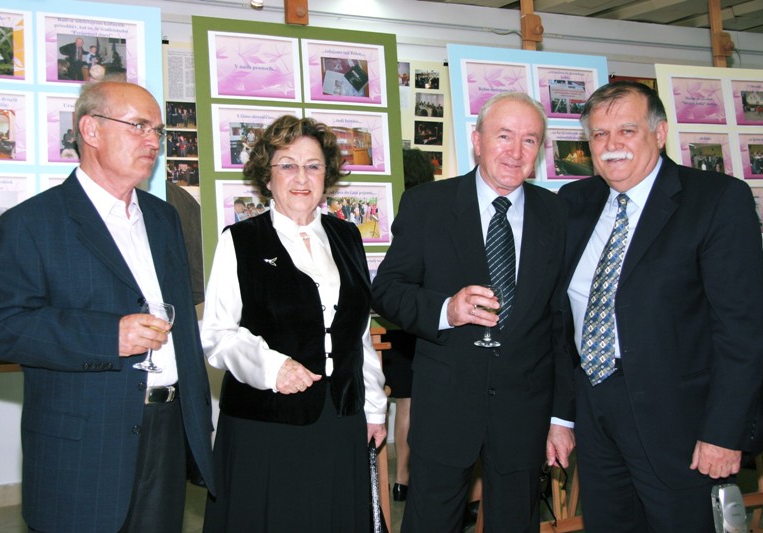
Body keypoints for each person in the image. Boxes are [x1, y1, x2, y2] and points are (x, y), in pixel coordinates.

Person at [0, 80, 215, 533]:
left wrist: (197, 422)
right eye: (139, 126)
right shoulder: (31, 223)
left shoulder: (164, 218)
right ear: (90, 130)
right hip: (83, 445)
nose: (153, 141)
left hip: (168, 432)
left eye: (158, 131)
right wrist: (109, 336)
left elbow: (182, 323)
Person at [558, 81, 763, 532]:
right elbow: (557, 317)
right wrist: (561, 413)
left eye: (627, 130)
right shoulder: (575, 203)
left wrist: (723, 432)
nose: (611, 145)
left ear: (659, 133)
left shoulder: (716, 200)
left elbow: (741, 331)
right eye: (599, 134)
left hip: (681, 422)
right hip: (595, 408)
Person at [372, 91, 575, 533]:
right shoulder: (427, 205)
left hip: (524, 414)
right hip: (446, 408)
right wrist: (446, 309)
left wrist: (561, 417)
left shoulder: (557, 215)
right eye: (504, 136)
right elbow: (386, 291)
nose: (515, 151)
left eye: (529, 140)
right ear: (477, 140)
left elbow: (562, 324)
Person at [201, 115, 387, 532]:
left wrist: (374, 408)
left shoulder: (348, 237)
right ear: (267, 177)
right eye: (287, 165)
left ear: (326, 176)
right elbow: (217, 334)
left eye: (313, 166)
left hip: (339, 421)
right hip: (266, 426)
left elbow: (357, 334)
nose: (301, 177)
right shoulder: (240, 240)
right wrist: (272, 367)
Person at [382, 148, 436, 503]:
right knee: (415, 402)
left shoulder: (389, 204)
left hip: (388, 318)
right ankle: (410, 478)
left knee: (403, 401)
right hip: (420, 316)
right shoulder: (430, 208)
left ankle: (400, 480)